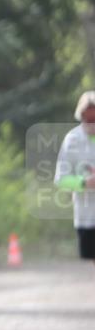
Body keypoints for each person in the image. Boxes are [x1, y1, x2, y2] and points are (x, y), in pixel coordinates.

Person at [54, 90, 95, 267]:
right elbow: (61, 178)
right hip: (87, 213)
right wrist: (84, 183)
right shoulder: (72, 140)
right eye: (88, 118)